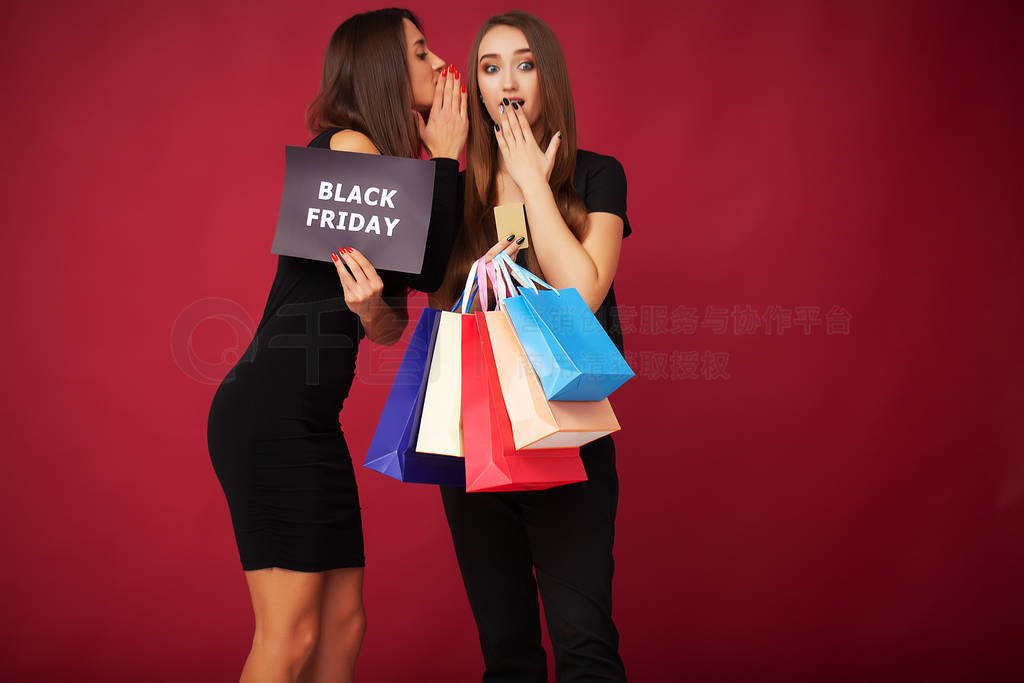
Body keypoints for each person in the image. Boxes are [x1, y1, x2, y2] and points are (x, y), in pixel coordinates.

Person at [206, 9, 467, 682]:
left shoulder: (385, 175)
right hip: (267, 416)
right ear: (382, 67)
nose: (439, 63)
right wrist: (444, 156)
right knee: (288, 634)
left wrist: (370, 306)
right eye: (419, 51)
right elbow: (437, 268)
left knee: (346, 622)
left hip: (312, 423)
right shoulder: (349, 148)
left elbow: (389, 321)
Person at [430, 10, 631, 683]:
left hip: (567, 432)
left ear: (550, 76)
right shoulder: (456, 193)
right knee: (508, 654)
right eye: (490, 67)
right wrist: (497, 187)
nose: (507, 81)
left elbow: (581, 291)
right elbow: (444, 300)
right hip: (480, 439)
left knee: (585, 644)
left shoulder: (600, 175)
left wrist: (533, 184)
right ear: (477, 87)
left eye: (524, 63)